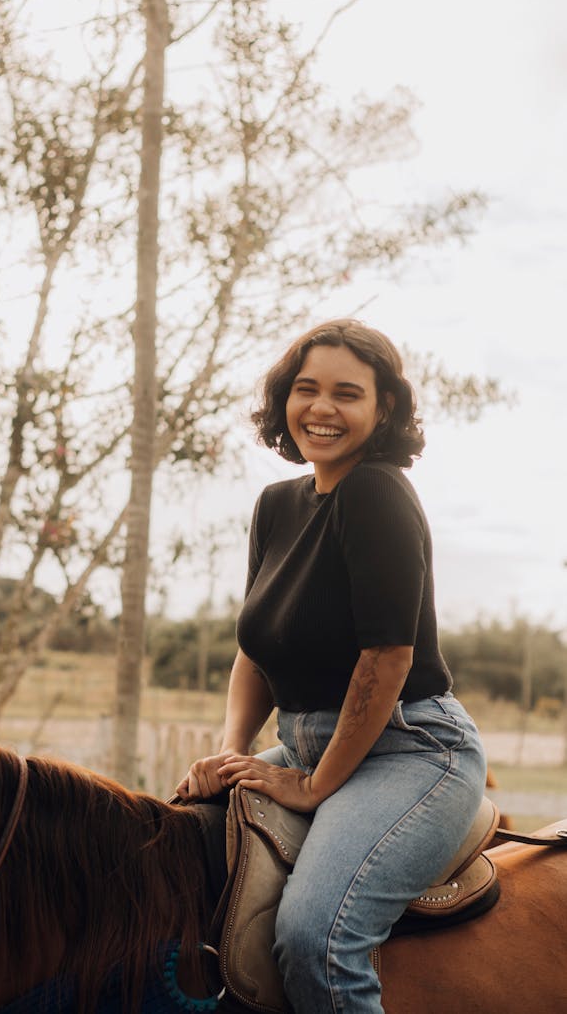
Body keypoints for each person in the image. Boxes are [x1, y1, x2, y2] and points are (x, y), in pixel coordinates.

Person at [176, 319, 487, 1014]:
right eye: (306, 389)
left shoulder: (377, 492)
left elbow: (388, 657)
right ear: (285, 399)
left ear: (383, 411)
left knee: (317, 939)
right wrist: (230, 754)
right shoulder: (276, 505)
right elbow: (257, 647)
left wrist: (315, 785)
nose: (322, 408)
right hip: (311, 738)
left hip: (410, 748)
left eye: (348, 394)